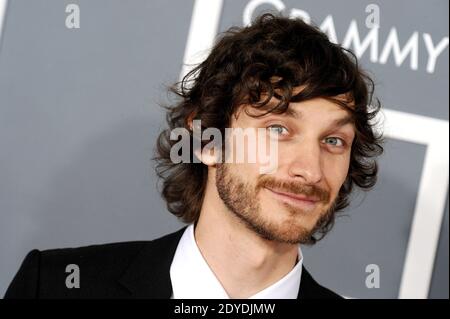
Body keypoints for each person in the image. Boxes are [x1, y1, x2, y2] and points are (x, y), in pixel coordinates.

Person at [4, 13, 383, 299]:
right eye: (278, 130)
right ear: (206, 138)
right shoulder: (55, 288)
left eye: (334, 141)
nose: (309, 170)